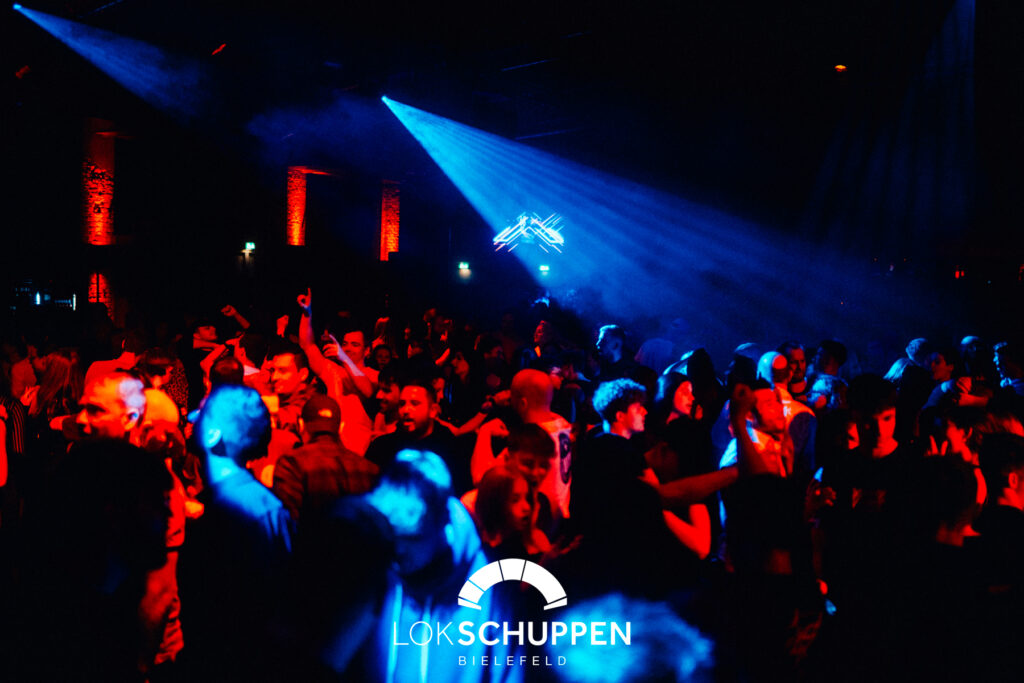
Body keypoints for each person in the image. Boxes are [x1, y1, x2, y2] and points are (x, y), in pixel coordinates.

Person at [360, 449, 521, 683]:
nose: (399, 549)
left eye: (413, 537)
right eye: (393, 535)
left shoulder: (491, 588)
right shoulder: (374, 568)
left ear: (443, 525)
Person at [179, 384, 293, 680]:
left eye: (200, 416)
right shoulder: (247, 503)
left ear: (213, 435)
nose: (190, 422)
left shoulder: (249, 509)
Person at [272, 394, 379, 525]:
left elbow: (287, 523)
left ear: (301, 425)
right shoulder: (370, 470)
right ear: (341, 427)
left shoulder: (291, 464)